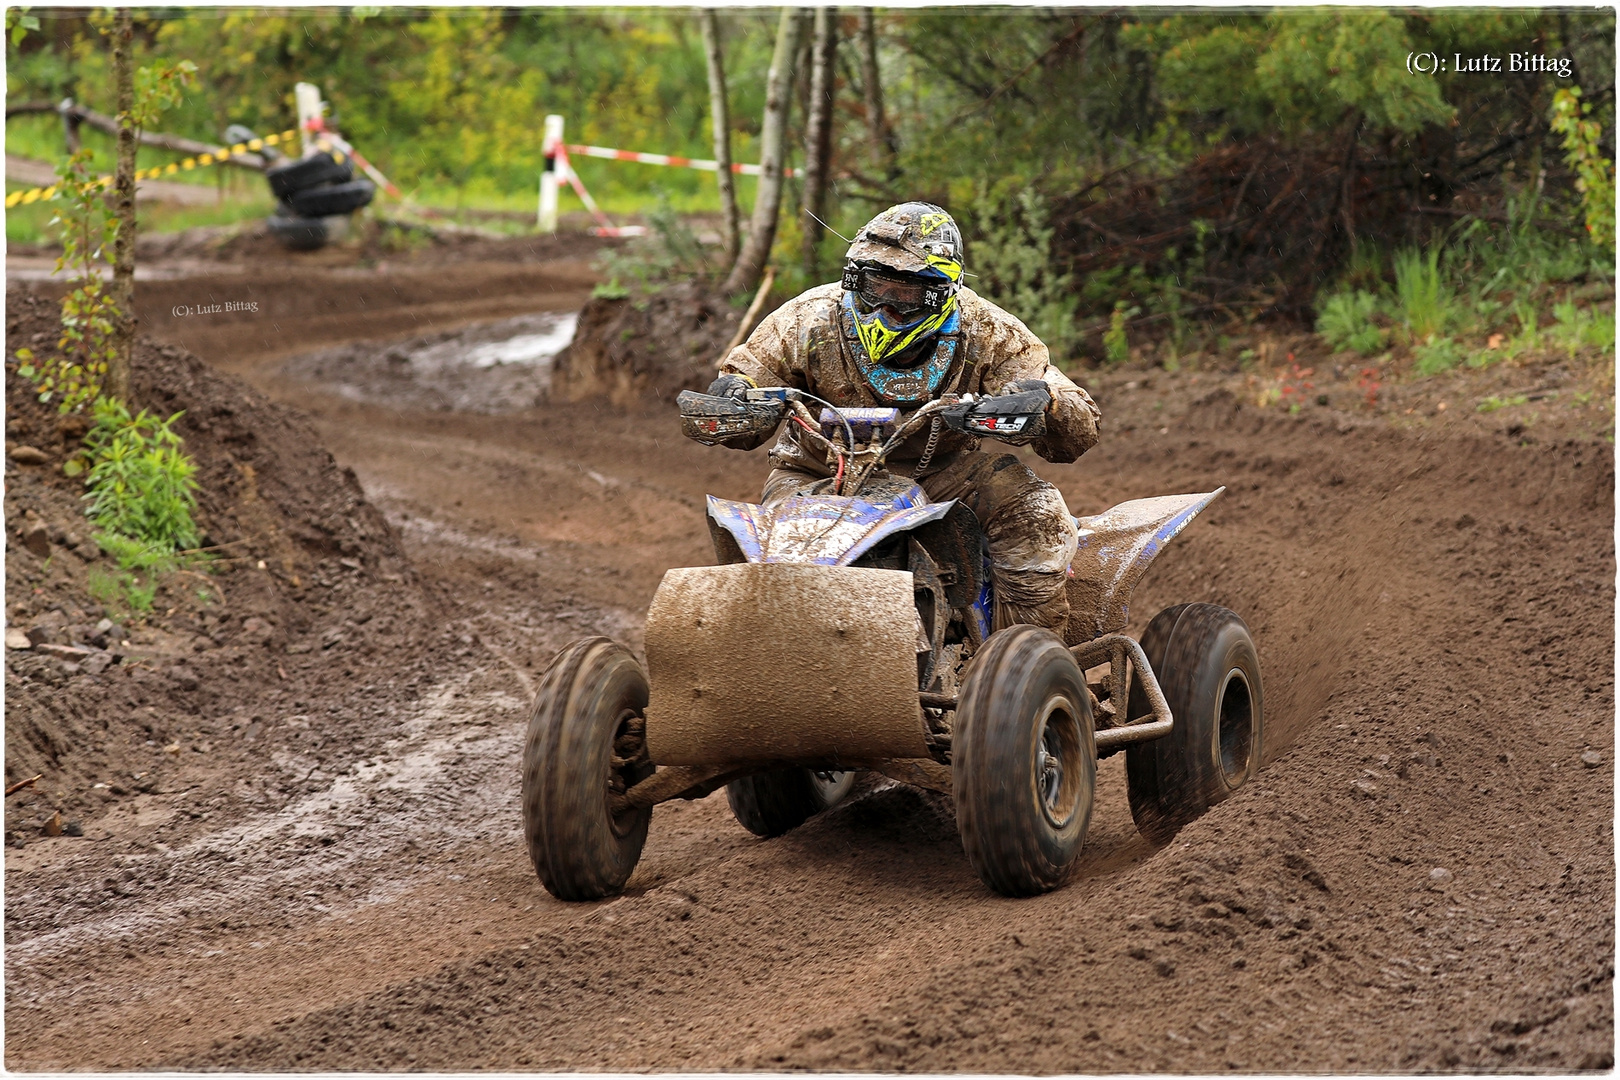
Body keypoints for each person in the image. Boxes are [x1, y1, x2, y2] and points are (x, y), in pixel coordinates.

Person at [706, 202, 1101, 634]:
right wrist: (735, 399)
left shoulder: (987, 330)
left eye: (906, 294)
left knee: (1037, 517)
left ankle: (1035, 660)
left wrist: (1046, 405)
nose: (886, 308)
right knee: (781, 561)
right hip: (818, 471)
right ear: (854, 278)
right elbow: (745, 379)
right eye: (875, 287)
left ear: (941, 292)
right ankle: (781, 658)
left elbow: (1075, 425)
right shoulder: (808, 318)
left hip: (945, 474)